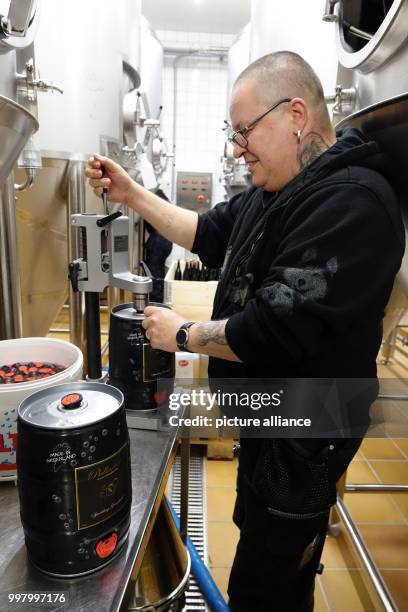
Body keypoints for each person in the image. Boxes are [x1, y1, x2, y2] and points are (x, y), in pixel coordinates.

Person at [86, 51, 404, 611]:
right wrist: (132, 193)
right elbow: (206, 231)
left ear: (296, 114)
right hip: (269, 413)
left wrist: (182, 335)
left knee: (270, 578)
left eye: (243, 132)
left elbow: (275, 328)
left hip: (310, 425)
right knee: (257, 528)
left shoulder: (351, 202)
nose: (237, 149)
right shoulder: (279, 189)